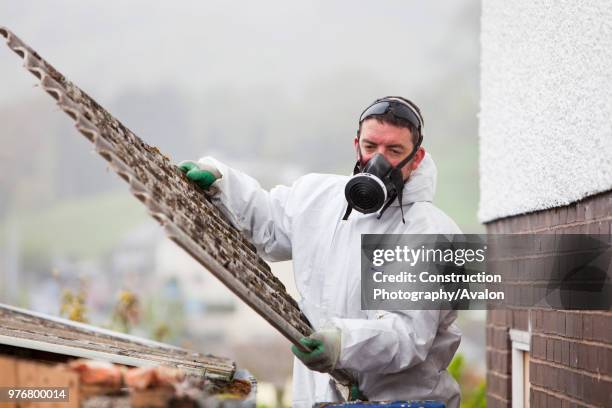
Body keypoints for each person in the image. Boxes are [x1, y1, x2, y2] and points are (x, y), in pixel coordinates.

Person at [178, 96, 461, 408]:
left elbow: (408, 336)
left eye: (394, 151)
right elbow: (266, 222)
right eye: (370, 147)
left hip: (402, 401)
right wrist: (220, 181)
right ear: (357, 145)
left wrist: (342, 343)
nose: (378, 161)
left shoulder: (431, 233)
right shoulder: (319, 198)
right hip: (317, 398)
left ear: (416, 157)